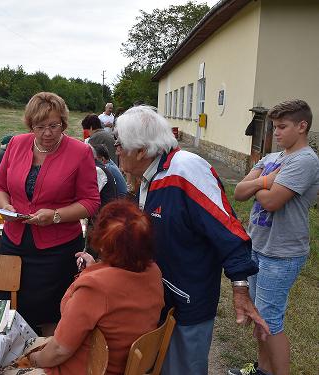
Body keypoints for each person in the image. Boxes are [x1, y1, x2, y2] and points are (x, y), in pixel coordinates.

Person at [115, 105, 270, 375]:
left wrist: (240, 287)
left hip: (188, 302)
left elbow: (228, 229)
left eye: (120, 144)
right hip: (159, 297)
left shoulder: (186, 171)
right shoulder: (148, 174)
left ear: (141, 151)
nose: (116, 150)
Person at [0, 200, 164, 375]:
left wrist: (32, 360)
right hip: (121, 364)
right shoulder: (153, 271)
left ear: (102, 243)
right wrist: (96, 268)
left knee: (4, 368)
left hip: (91, 367)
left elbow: (59, 351)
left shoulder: (96, 287)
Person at [0, 92, 100, 335]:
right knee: (8, 311)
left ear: (63, 122)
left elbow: (91, 202)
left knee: (52, 314)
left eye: (54, 126)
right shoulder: (17, 144)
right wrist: (6, 207)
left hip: (56, 251)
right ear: (30, 125)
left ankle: (46, 366)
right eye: (40, 127)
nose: (48, 133)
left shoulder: (80, 152)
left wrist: (56, 215)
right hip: (13, 243)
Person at [230, 100, 319, 375]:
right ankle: (263, 371)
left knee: (270, 322)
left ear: (302, 126)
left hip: (281, 253)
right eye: (274, 127)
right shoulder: (273, 158)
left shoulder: (305, 160)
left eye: (282, 126)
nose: (276, 133)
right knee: (259, 319)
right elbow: (239, 192)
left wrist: (259, 185)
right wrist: (266, 181)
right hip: (258, 247)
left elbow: (271, 202)